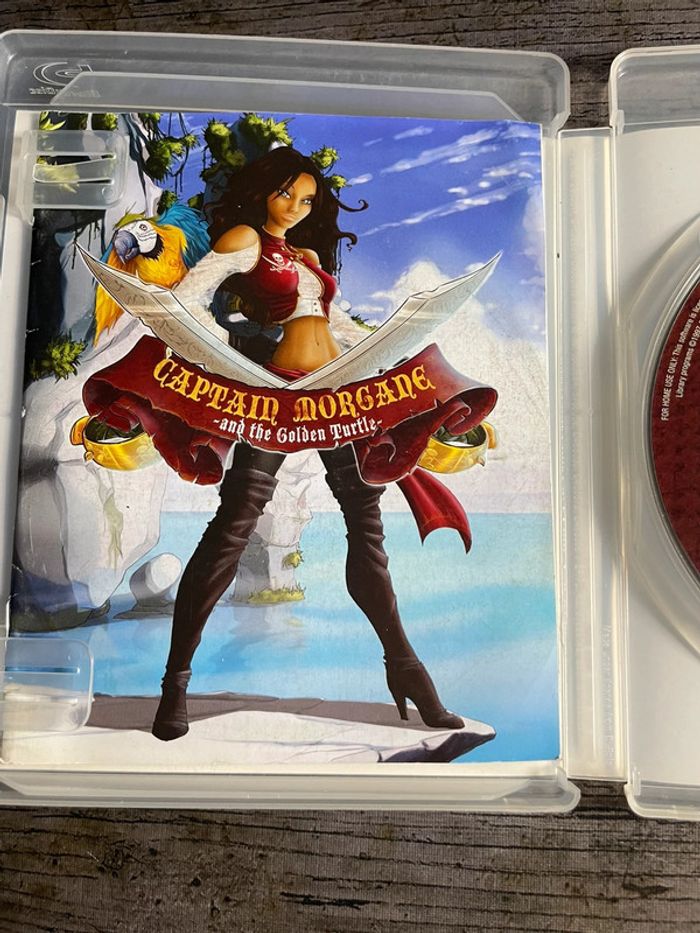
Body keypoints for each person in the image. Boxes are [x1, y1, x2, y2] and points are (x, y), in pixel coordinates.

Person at [152, 147, 467, 741]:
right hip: (278, 396)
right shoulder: (247, 240)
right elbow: (190, 302)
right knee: (234, 526)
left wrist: (386, 342)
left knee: (367, 529)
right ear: (262, 191)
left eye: (306, 200)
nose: (295, 208)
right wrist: (235, 355)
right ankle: (176, 682)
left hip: (335, 395)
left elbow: (335, 324)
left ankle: (406, 668)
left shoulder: (308, 257)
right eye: (285, 195)